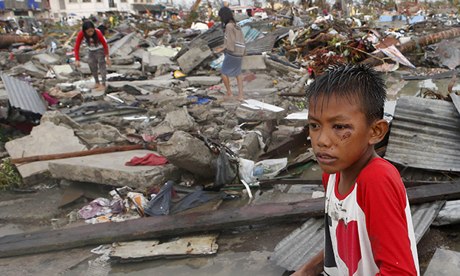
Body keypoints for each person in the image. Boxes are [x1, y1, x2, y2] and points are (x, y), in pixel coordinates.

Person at [294, 64, 419, 276]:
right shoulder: (332, 176)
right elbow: (340, 239)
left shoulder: (375, 180)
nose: (322, 141)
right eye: (315, 126)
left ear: (375, 131)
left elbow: (401, 272)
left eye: (340, 127)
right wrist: (307, 270)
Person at [218, 7, 245, 101]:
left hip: (232, 53)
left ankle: (229, 93)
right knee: (238, 74)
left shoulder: (229, 26)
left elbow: (231, 41)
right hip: (240, 52)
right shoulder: (236, 25)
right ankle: (241, 95)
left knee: (224, 73)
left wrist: (223, 49)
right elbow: (241, 40)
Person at [74, 21, 111, 91]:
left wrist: (107, 58)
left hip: (100, 49)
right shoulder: (81, 34)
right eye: (88, 32)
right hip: (91, 50)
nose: (91, 33)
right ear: (85, 31)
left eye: (92, 31)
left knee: (101, 64)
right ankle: (97, 82)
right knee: (91, 64)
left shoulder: (98, 33)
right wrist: (77, 59)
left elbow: (105, 45)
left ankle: (103, 84)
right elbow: (77, 46)